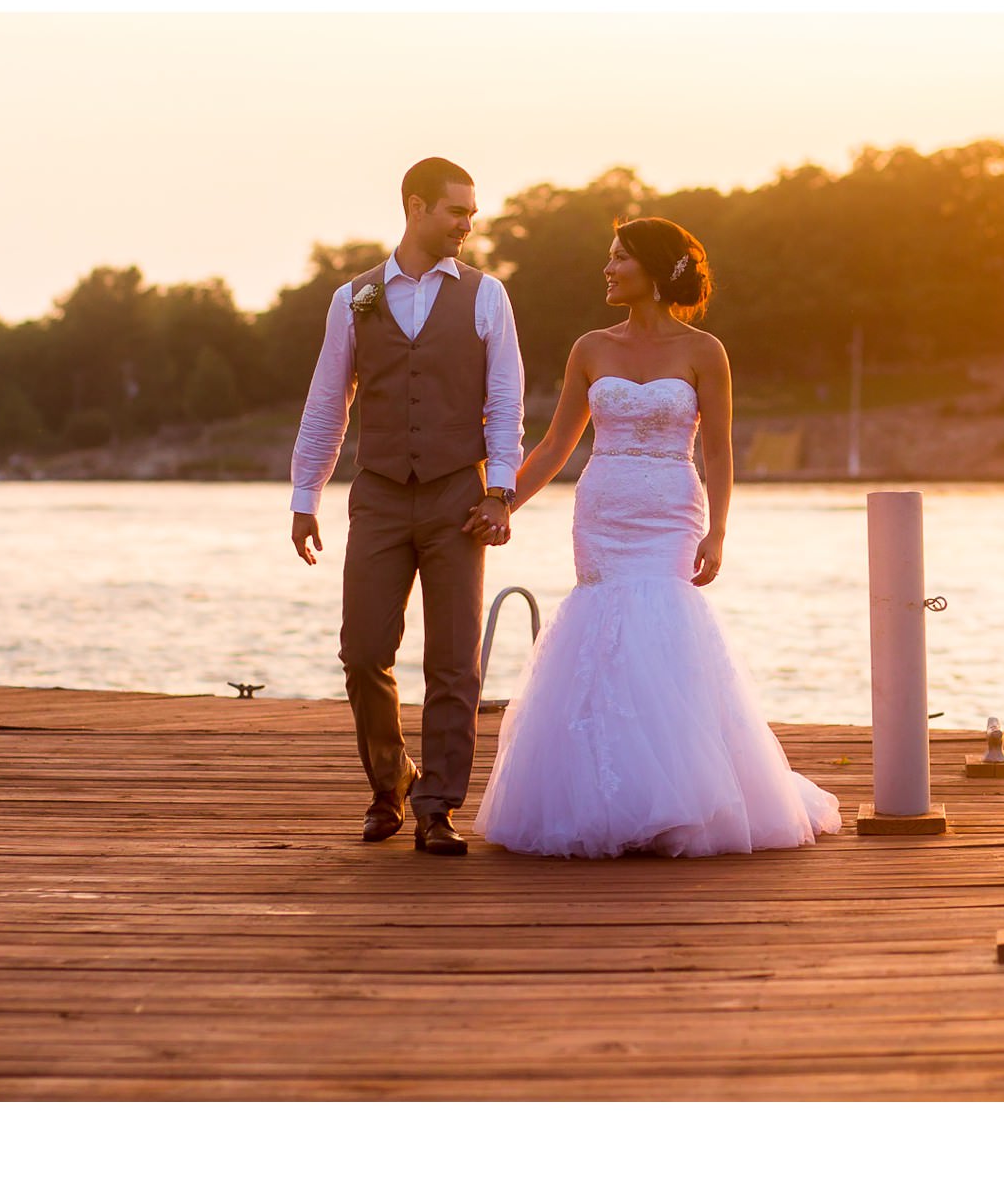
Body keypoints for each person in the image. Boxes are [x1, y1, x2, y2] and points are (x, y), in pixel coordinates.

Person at [470, 218, 841, 857]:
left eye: (618, 258)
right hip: (604, 506)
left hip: (671, 508)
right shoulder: (590, 347)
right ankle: (607, 797)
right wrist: (503, 501)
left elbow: (720, 451)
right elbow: (559, 444)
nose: (607, 269)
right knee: (603, 634)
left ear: (652, 268)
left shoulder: (705, 351)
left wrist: (718, 532)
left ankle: (681, 802)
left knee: (663, 628)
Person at [289, 157, 524, 856]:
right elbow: (329, 402)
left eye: (472, 212)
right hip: (380, 493)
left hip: (458, 492)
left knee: (453, 660)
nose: (468, 224)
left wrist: (500, 489)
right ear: (417, 207)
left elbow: (506, 400)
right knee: (362, 651)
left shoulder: (487, 297)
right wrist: (306, 494)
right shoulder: (352, 299)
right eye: (457, 211)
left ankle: (436, 805)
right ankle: (391, 780)